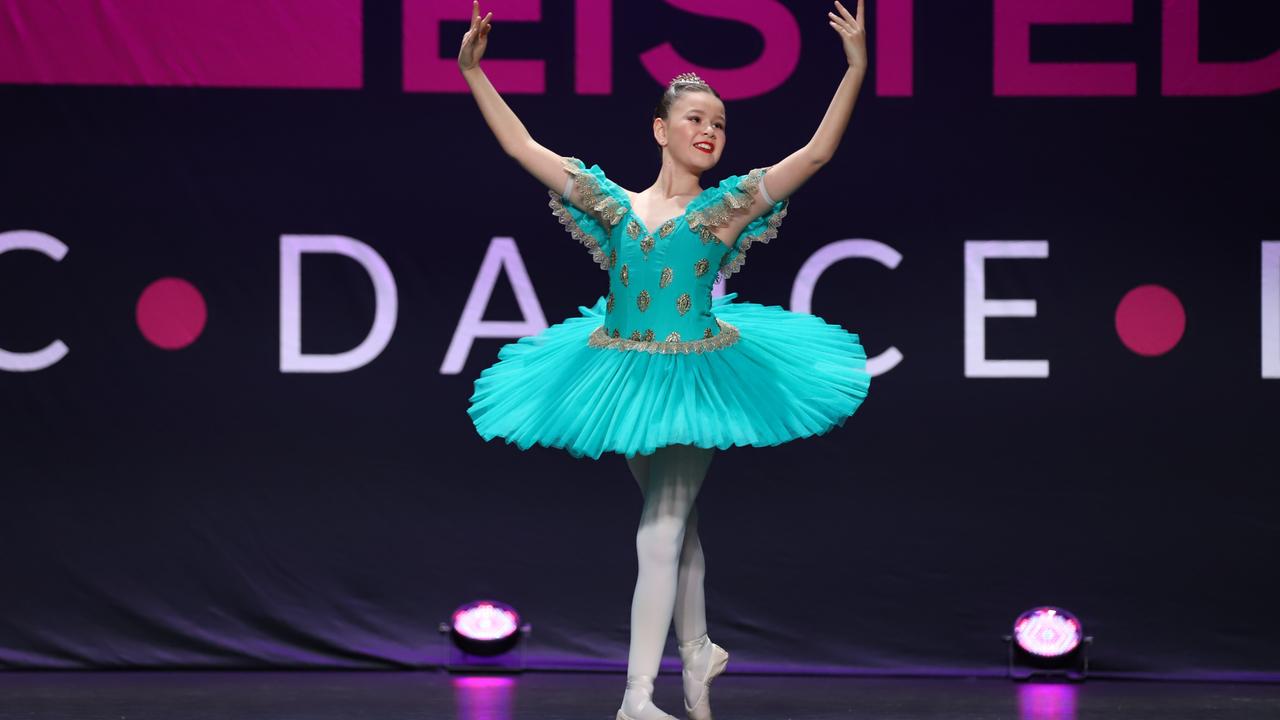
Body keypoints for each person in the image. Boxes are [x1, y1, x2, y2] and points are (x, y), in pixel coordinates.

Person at [458, 2, 871, 718]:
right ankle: (700, 649)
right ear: (661, 130)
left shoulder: (726, 209)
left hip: (695, 375)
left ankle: (637, 700)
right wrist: (472, 71)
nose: (710, 130)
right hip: (620, 375)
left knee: (658, 529)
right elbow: (523, 147)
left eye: (719, 122)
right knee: (678, 531)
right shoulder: (613, 207)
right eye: (695, 119)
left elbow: (815, 156)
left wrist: (856, 68)